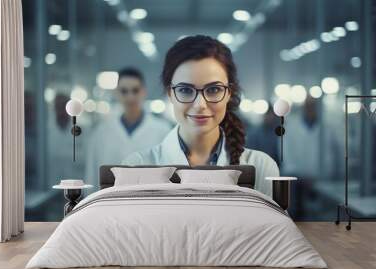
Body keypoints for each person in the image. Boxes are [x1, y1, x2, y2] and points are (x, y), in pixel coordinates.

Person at [123, 35, 279, 197]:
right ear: (170, 94)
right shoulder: (136, 166)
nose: (200, 105)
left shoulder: (261, 167)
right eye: (185, 90)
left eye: (213, 90)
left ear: (228, 94)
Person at [85, 67, 172, 186]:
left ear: (144, 92)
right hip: (109, 202)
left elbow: (169, 176)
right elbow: (92, 177)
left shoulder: (163, 131)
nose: (130, 97)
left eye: (135, 90)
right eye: (124, 91)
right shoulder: (101, 132)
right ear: (116, 93)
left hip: (150, 202)